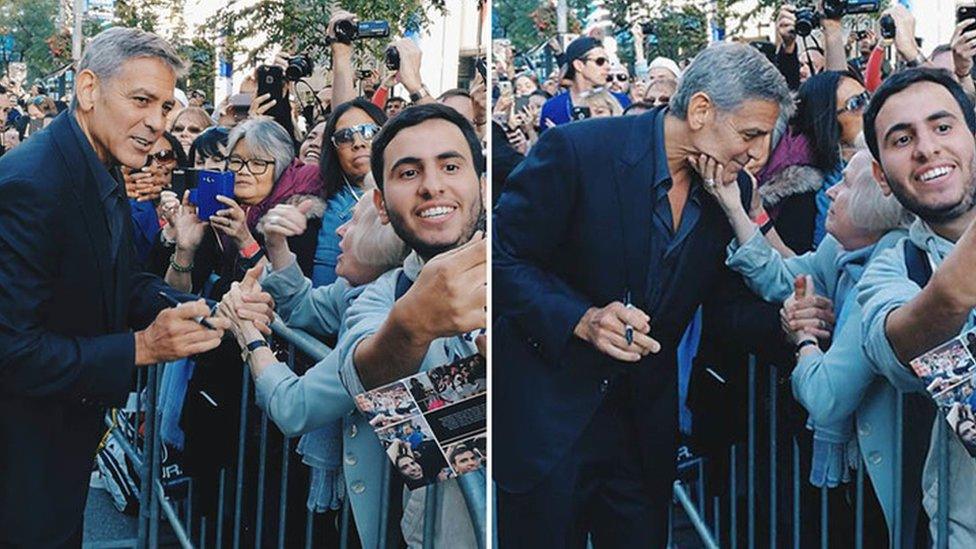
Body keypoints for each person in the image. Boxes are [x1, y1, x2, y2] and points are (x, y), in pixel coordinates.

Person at [493, 42, 792, 547]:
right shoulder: (578, 150)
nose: (758, 155)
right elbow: (503, 261)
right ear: (700, 110)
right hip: (549, 426)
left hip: (642, 441)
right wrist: (581, 319)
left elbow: (719, 304)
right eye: (751, 135)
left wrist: (786, 325)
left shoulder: (728, 191)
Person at [0, 27, 240, 546]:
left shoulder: (97, 167)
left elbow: (119, 280)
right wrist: (140, 347)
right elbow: (12, 350)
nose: (157, 123)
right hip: (20, 456)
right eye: (141, 100)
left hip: (59, 448)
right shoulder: (30, 184)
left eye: (165, 105)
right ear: (88, 90)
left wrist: (205, 309)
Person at [857, 67, 976, 546]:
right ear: (881, 177)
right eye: (902, 139)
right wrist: (946, 297)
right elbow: (900, 346)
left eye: (943, 127)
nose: (927, 148)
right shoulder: (891, 270)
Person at [313, 98, 387, 286]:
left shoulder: (409, 192)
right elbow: (323, 288)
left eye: (369, 132)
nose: (358, 143)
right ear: (333, 150)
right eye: (344, 137)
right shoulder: (334, 209)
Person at [539, 36, 630, 128]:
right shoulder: (552, 108)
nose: (607, 67)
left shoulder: (621, 101)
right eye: (600, 61)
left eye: (607, 61)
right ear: (579, 65)